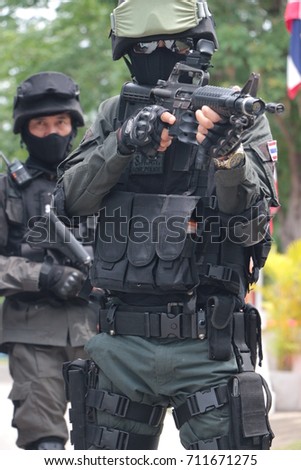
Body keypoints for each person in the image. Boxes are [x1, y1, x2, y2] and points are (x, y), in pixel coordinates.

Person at [54, 0, 279, 450]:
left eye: (175, 44)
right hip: (119, 344)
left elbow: (250, 226)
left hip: (209, 342)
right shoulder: (116, 112)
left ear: (198, 47)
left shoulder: (236, 118)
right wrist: (123, 144)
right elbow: (69, 203)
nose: (161, 52)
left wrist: (226, 155)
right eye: (148, 45)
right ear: (128, 51)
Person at [0, 71, 98, 450]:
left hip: (99, 330)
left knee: (108, 441)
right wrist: (44, 275)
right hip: (33, 334)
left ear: (74, 126)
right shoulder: (8, 189)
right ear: (24, 131)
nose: (53, 133)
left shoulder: (97, 184)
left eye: (61, 123)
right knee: (45, 443)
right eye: (41, 125)